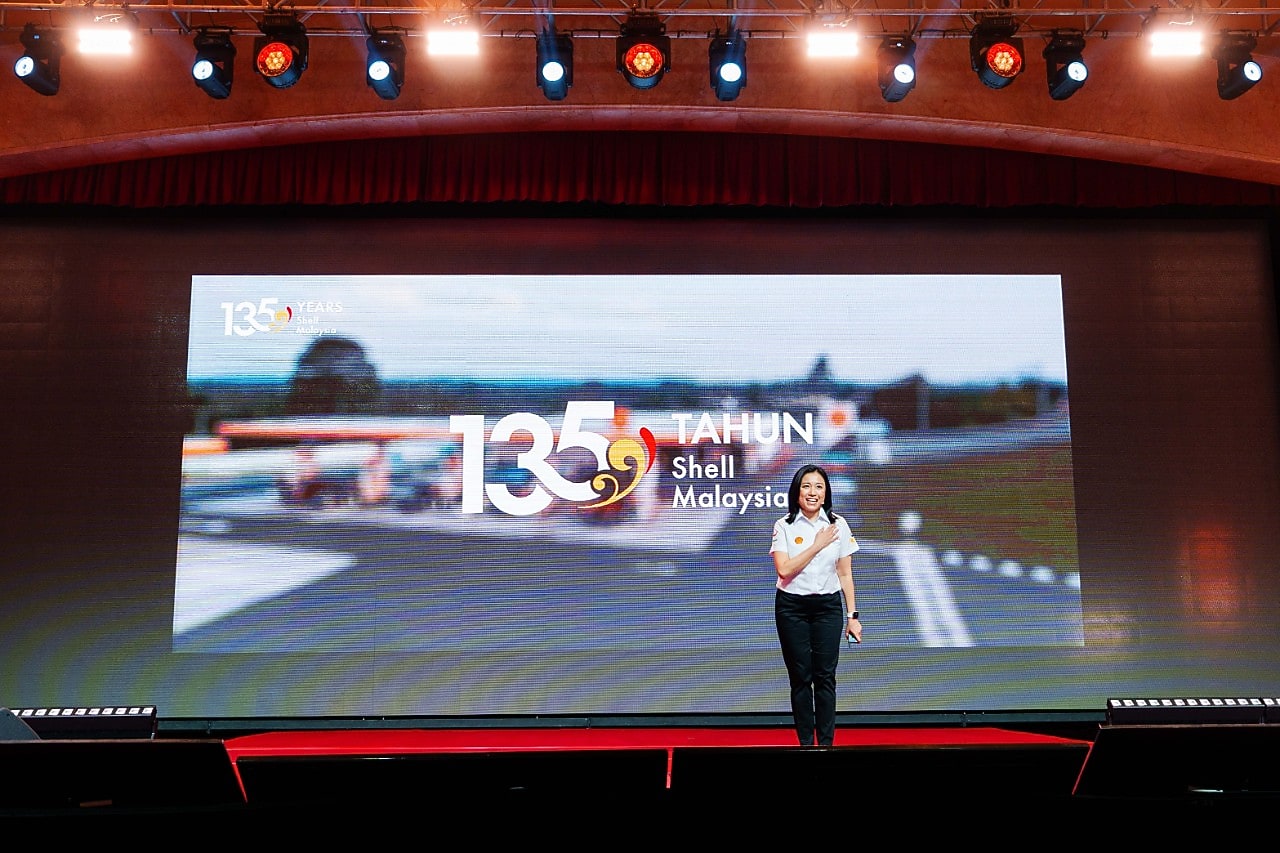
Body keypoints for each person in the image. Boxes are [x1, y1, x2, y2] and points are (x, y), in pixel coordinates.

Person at [769, 463, 862, 747]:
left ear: (826, 493)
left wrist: (853, 616)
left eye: (819, 487)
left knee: (825, 677)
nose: (812, 492)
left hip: (827, 607)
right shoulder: (783, 525)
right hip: (791, 607)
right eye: (806, 486)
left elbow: (845, 573)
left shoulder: (839, 525)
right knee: (800, 677)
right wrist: (816, 545)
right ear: (796, 492)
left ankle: (826, 744)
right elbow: (784, 570)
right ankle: (806, 744)